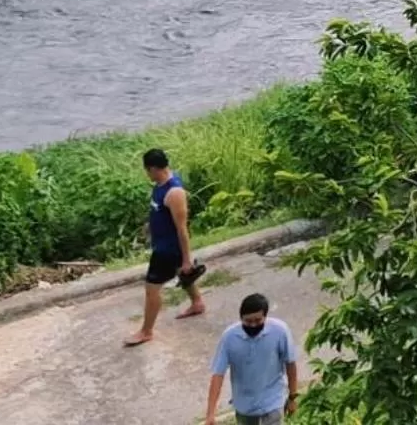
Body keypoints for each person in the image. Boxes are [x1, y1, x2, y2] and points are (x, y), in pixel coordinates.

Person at [127, 148, 204, 346]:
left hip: (167, 250)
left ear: (153, 168)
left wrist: (187, 258)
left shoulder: (174, 193)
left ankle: (146, 331)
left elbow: (182, 229)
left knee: (151, 289)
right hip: (162, 244)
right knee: (184, 275)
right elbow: (158, 212)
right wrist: (149, 227)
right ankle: (197, 303)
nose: (147, 174)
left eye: (147, 170)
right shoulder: (160, 184)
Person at [204, 292, 298, 425]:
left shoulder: (280, 331)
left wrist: (293, 397)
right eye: (248, 321)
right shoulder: (229, 338)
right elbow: (218, 375)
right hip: (244, 408)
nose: (253, 325)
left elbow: (290, 363)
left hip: (273, 404)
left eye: (258, 321)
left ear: (265, 316)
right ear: (240, 318)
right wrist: (210, 414)